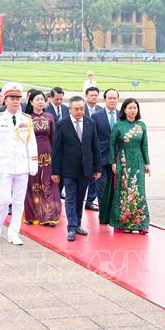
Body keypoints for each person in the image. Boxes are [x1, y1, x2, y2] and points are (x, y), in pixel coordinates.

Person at [0, 82, 38, 245]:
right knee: (4, 199)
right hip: (4, 166)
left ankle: (14, 232)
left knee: (18, 201)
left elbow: (31, 142)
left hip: (22, 165)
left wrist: (33, 163)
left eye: (17, 98)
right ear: (5, 100)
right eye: (12, 98)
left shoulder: (27, 119)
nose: (15, 101)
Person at [51, 95, 101, 242]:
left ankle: (77, 223)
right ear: (70, 109)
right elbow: (56, 150)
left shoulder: (90, 123)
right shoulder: (62, 124)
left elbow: (95, 147)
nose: (80, 111)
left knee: (80, 198)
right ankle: (71, 227)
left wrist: (97, 168)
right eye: (76, 109)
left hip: (85, 169)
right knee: (71, 198)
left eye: (82, 109)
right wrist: (55, 171)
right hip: (68, 169)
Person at [102, 98, 151, 234]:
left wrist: (147, 163)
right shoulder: (118, 126)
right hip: (123, 161)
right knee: (123, 191)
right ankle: (122, 222)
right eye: (130, 108)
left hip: (138, 161)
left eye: (135, 108)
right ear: (124, 110)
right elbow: (112, 145)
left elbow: (144, 145)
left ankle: (141, 223)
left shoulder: (142, 125)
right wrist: (113, 162)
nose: (132, 110)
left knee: (139, 190)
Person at [23, 90, 61, 226]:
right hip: (31, 155)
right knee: (32, 185)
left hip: (47, 155)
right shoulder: (26, 118)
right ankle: (32, 214)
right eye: (37, 99)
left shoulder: (49, 116)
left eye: (42, 99)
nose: (40, 102)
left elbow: (54, 138)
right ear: (31, 102)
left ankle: (48, 215)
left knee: (48, 184)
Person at [95, 89, 120, 224]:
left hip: (118, 158)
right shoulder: (97, 116)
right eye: (109, 98)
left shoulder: (123, 115)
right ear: (105, 99)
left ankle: (116, 215)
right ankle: (104, 215)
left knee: (118, 188)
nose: (112, 100)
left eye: (114, 98)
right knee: (102, 188)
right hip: (102, 158)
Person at [83, 86, 104, 211]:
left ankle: (90, 200)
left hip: (97, 148)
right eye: (92, 95)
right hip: (84, 148)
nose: (94, 97)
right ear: (86, 96)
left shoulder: (101, 110)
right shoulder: (81, 109)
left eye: (96, 95)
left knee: (94, 176)